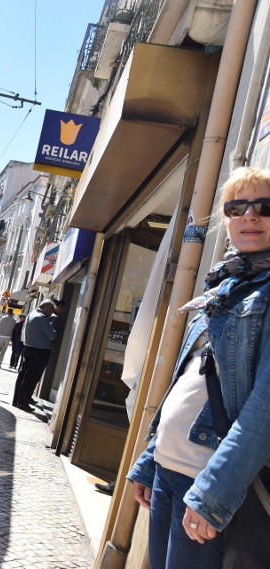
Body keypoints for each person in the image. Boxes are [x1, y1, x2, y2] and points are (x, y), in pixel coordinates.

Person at [127, 167, 270, 569]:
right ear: (226, 220)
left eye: (265, 207)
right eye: (237, 206)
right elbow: (189, 380)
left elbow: (264, 407)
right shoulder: (227, 285)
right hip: (171, 471)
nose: (249, 216)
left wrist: (214, 494)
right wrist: (150, 458)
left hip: (206, 482)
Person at [11, 300, 58, 411]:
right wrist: (53, 322)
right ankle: (23, 402)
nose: (51, 313)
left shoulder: (31, 314)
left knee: (24, 376)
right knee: (31, 378)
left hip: (28, 348)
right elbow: (52, 335)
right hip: (38, 352)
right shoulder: (41, 319)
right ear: (46, 308)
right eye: (51, 310)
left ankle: (18, 400)